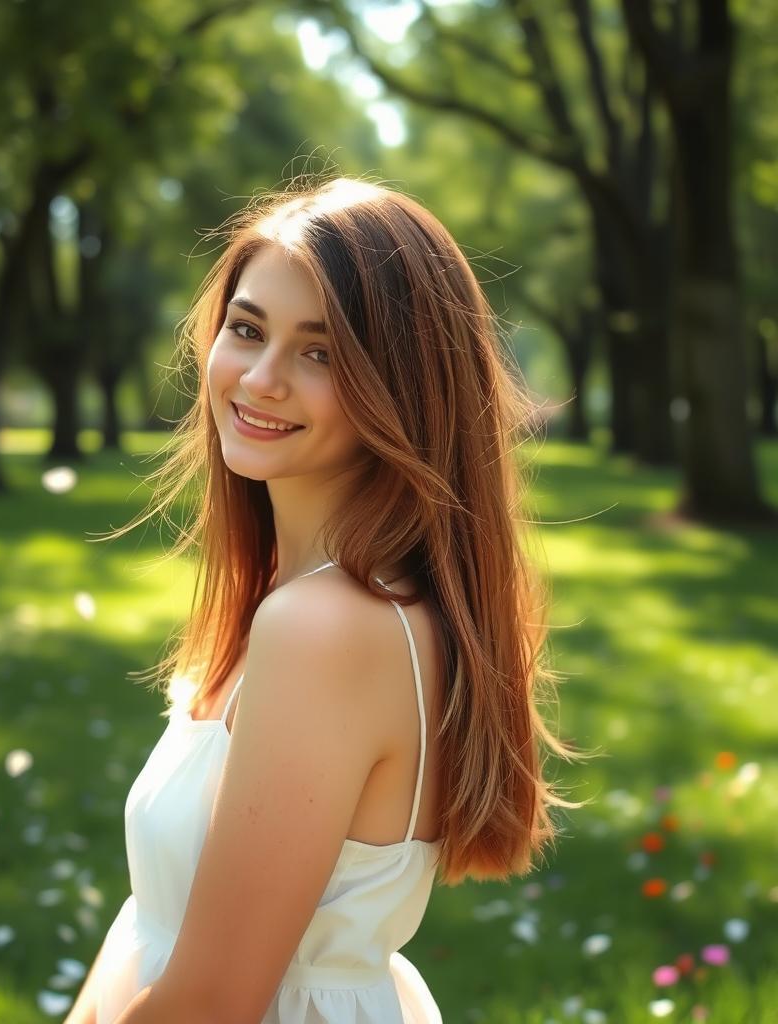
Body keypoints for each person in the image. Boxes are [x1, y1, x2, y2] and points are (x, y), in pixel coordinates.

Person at [64, 174, 592, 1023]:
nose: (261, 378)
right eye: (247, 329)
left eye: (322, 352)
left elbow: (211, 1004)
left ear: (407, 387)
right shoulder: (302, 600)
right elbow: (150, 928)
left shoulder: (323, 627)